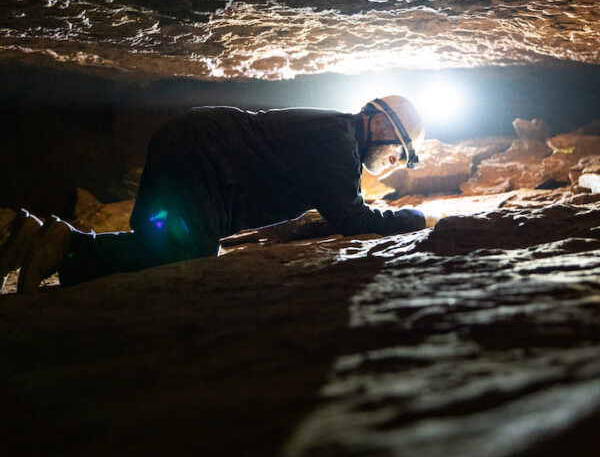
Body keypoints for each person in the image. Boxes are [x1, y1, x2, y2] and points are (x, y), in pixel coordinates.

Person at [1, 95, 431, 293]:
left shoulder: (337, 137)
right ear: (378, 124)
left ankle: (50, 242)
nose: (394, 163)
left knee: (162, 248)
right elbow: (351, 217)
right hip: (201, 153)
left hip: (196, 145)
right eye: (399, 151)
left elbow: (346, 201)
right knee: (187, 259)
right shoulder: (337, 143)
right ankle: (61, 247)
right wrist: (416, 221)